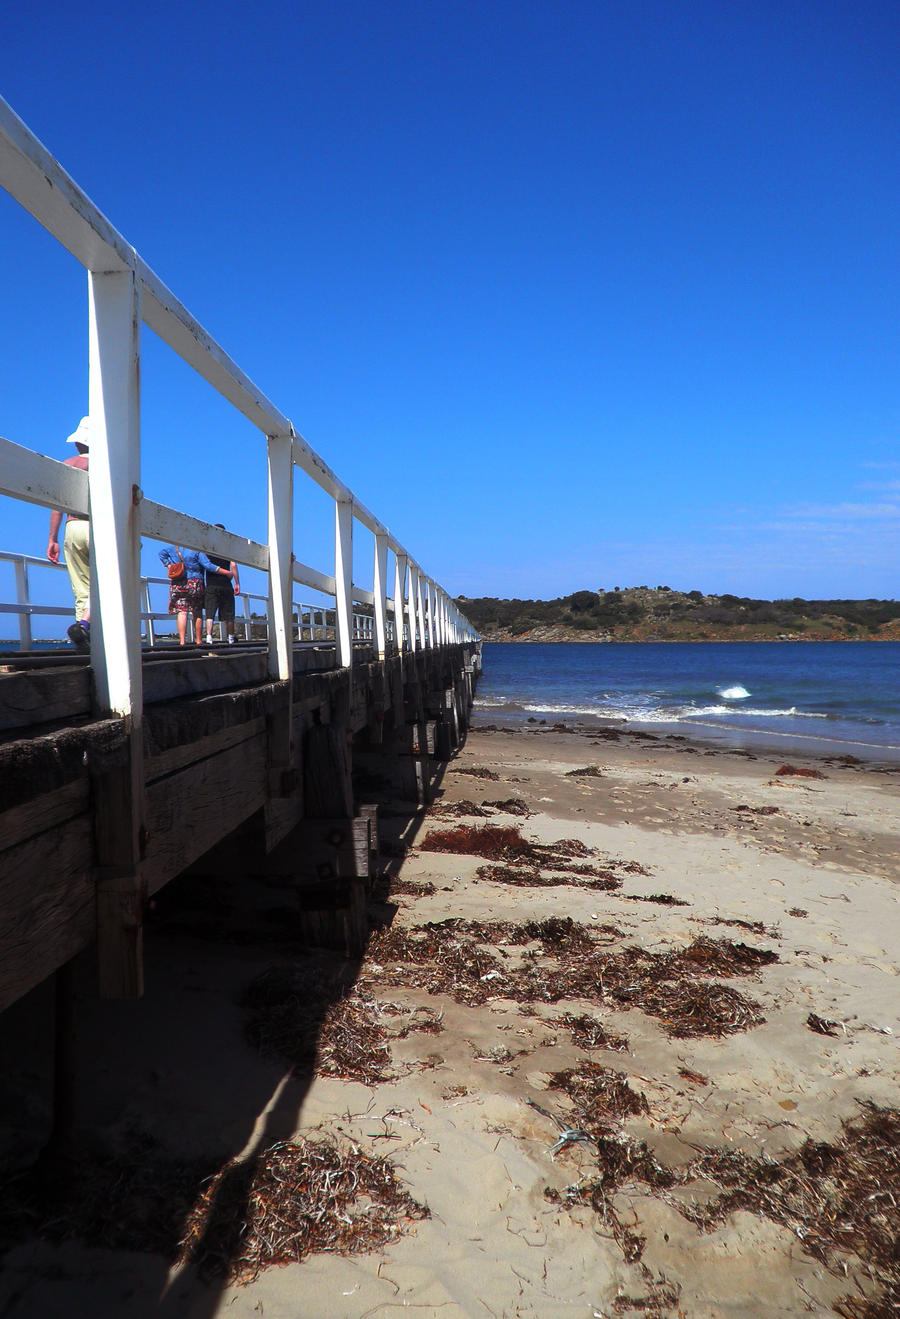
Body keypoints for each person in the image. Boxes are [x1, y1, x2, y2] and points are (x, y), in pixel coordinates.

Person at [47, 416, 91, 651]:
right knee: (105, 583)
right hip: (97, 527)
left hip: (72, 527)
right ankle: (85, 625)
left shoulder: (68, 463)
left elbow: (57, 506)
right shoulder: (106, 465)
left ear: (77, 443)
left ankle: (82, 639)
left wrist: (52, 539)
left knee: (81, 587)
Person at [158, 544, 232, 646]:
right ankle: (198, 640)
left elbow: (161, 554)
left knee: (182, 612)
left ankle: (182, 641)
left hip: (178, 582)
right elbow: (208, 565)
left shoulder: (174, 547)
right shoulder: (196, 549)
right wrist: (226, 572)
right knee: (196, 611)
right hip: (194, 581)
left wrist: (169, 565)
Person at [204, 524, 240, 645]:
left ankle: (209, 637)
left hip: (211, 583)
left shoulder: (208, 547)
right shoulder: (228, 548)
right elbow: (233, 565)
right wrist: (237, 583)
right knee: (229, 614)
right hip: (226, 584)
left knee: (210, 612)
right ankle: (230, 638)